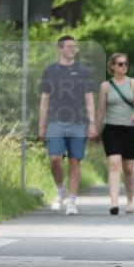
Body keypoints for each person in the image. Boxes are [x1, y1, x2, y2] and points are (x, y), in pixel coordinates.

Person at [38, 35, 97, 215]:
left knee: (74, 161)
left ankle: (72, 200)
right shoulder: (50, 71)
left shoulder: (84, 71)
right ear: (61, 48)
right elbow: (45, 99)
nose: (74, 50)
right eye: (70, 47)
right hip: (55, 121)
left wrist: (93, 123)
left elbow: (89, 98)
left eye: (75, 47)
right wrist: (42, 125)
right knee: (55, 159)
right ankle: (60, 188)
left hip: (78, 122)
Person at [96, 52, 134, 215]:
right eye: (120, 64)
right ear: (112, 67)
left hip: (131, 128)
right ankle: (114, 202)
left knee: (129, 168)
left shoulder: (133, 83)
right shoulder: (105, 86)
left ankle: (130, 200)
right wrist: (96, 129)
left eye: (125, 64)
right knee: (114, 162)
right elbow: (101, 110)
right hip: (111, 128)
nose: (124, 66)